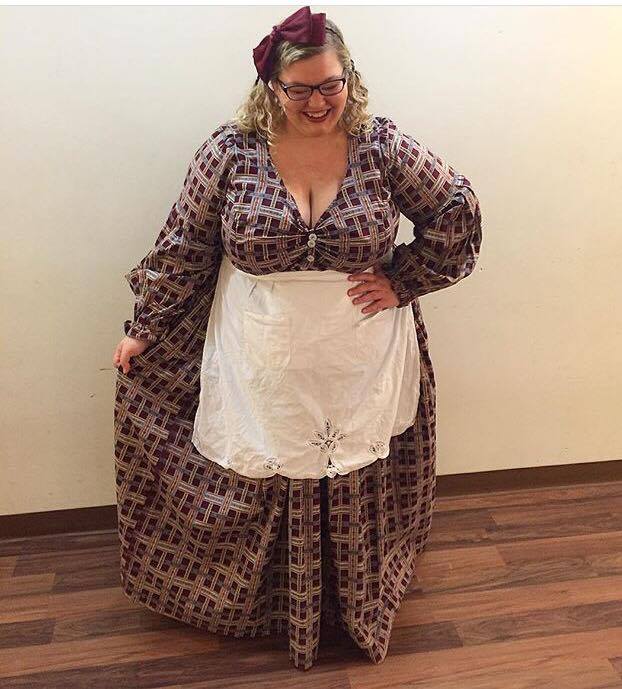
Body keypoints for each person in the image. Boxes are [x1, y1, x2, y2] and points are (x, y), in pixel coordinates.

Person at [112, 5, 482, 671]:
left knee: (348, 462)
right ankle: (264, 607)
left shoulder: (383, 147)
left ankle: (350, 600)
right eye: (300, 89)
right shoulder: (230, 152)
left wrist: (403, 279)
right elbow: (185, 246)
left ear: (350, 79)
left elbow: (456, 211)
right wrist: (146, 328)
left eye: (331, 85)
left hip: (359, 354)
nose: (318, 102)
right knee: (268, 462)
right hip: (261, 353)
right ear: (271, 88)